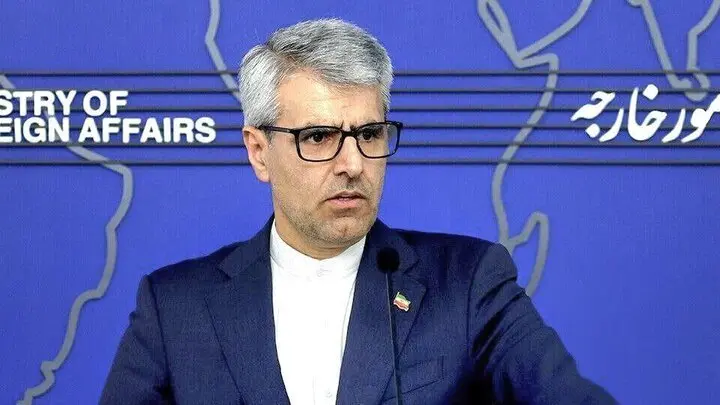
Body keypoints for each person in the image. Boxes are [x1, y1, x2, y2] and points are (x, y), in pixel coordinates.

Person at [100, 18, 617, 405]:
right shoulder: (175, 308)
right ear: (259, 152)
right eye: (318, 137)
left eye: (369, 134)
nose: (352, 164)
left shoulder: (468, 285)